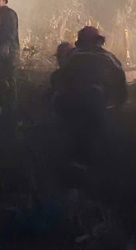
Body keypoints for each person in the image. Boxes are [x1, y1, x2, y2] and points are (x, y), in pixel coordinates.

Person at [52, 26, 127, 162]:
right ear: (99, 41)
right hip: (102, 108)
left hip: (75, 108)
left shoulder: (75, 58)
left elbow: (57, 79)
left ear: (81, 42)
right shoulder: (111, 59)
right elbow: (122, 90)